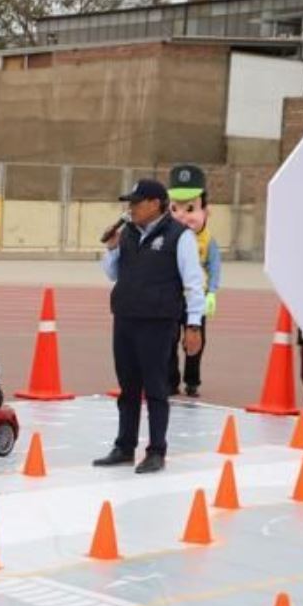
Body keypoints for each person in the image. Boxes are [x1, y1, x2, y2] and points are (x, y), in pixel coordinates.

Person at [93, 180, 204, 474]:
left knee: (155, 387)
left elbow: (193, 283)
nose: (131, 208)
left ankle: (156, 451)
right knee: (128, 388)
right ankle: (124, 446)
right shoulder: (128, 233)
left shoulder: (179, 236)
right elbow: (112, 274)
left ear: (155, 203)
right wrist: (112, 249)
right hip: (126, 319)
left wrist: (194, 325)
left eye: (137, 202)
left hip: (158, 322)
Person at [166, 165, 220, 397]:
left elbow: (214, 268)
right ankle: (170, 380)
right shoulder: (167, 237)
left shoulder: (208, 241)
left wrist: (212, 293)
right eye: (175, 209)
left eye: (190, 208)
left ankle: (192, 380)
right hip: (170, 297)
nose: (182, 216)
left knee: (195, 341)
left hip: (194, 299)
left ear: (206, 210)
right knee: (168, 339)